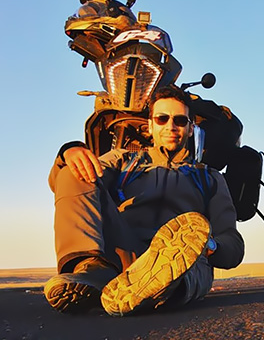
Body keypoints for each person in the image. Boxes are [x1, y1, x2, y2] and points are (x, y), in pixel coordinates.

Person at [44, 85, 245, 316]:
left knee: (183, 266)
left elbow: (232, 243)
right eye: (162, 119)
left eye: (180, 120)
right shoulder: (124, 161)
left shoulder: (209, 177)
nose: (171, 126)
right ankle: (90, 271)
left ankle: (153, 288)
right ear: (151, 125)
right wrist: (68, 152)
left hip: (183, 265)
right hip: (126, 255)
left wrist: (208, 246)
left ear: (191, 129)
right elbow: (65, 184)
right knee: (75, 169)